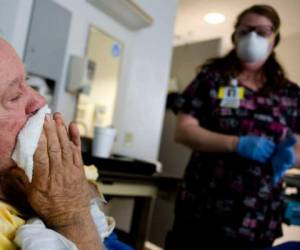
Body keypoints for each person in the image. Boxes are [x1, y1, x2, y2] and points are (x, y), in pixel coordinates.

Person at [165, 5, 300, 250]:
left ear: (275, 39)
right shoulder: (211, 78)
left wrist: (291, 157)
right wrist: (235, 143)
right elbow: (183, 130)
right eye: (245, 30)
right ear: (235, 36)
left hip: (258, 216)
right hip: (203, 206)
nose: (253, 37)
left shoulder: (290, 94)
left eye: (262, 31)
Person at [0, 38, 106, 249]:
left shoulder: (38, 170)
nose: (40, 100)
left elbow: (100, 204)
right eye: (14, 97)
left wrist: (72, 190)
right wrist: (70, 214)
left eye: (27, 81)